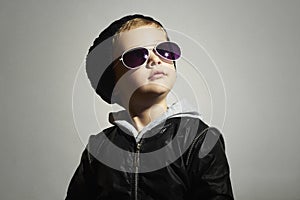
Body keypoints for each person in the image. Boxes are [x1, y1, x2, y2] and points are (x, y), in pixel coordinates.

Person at [65, 14, 234, 200]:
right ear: (114, 82)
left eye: (165, 51)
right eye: (136, 55)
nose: (155, 59)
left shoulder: (199, 140)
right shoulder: (98, 149)